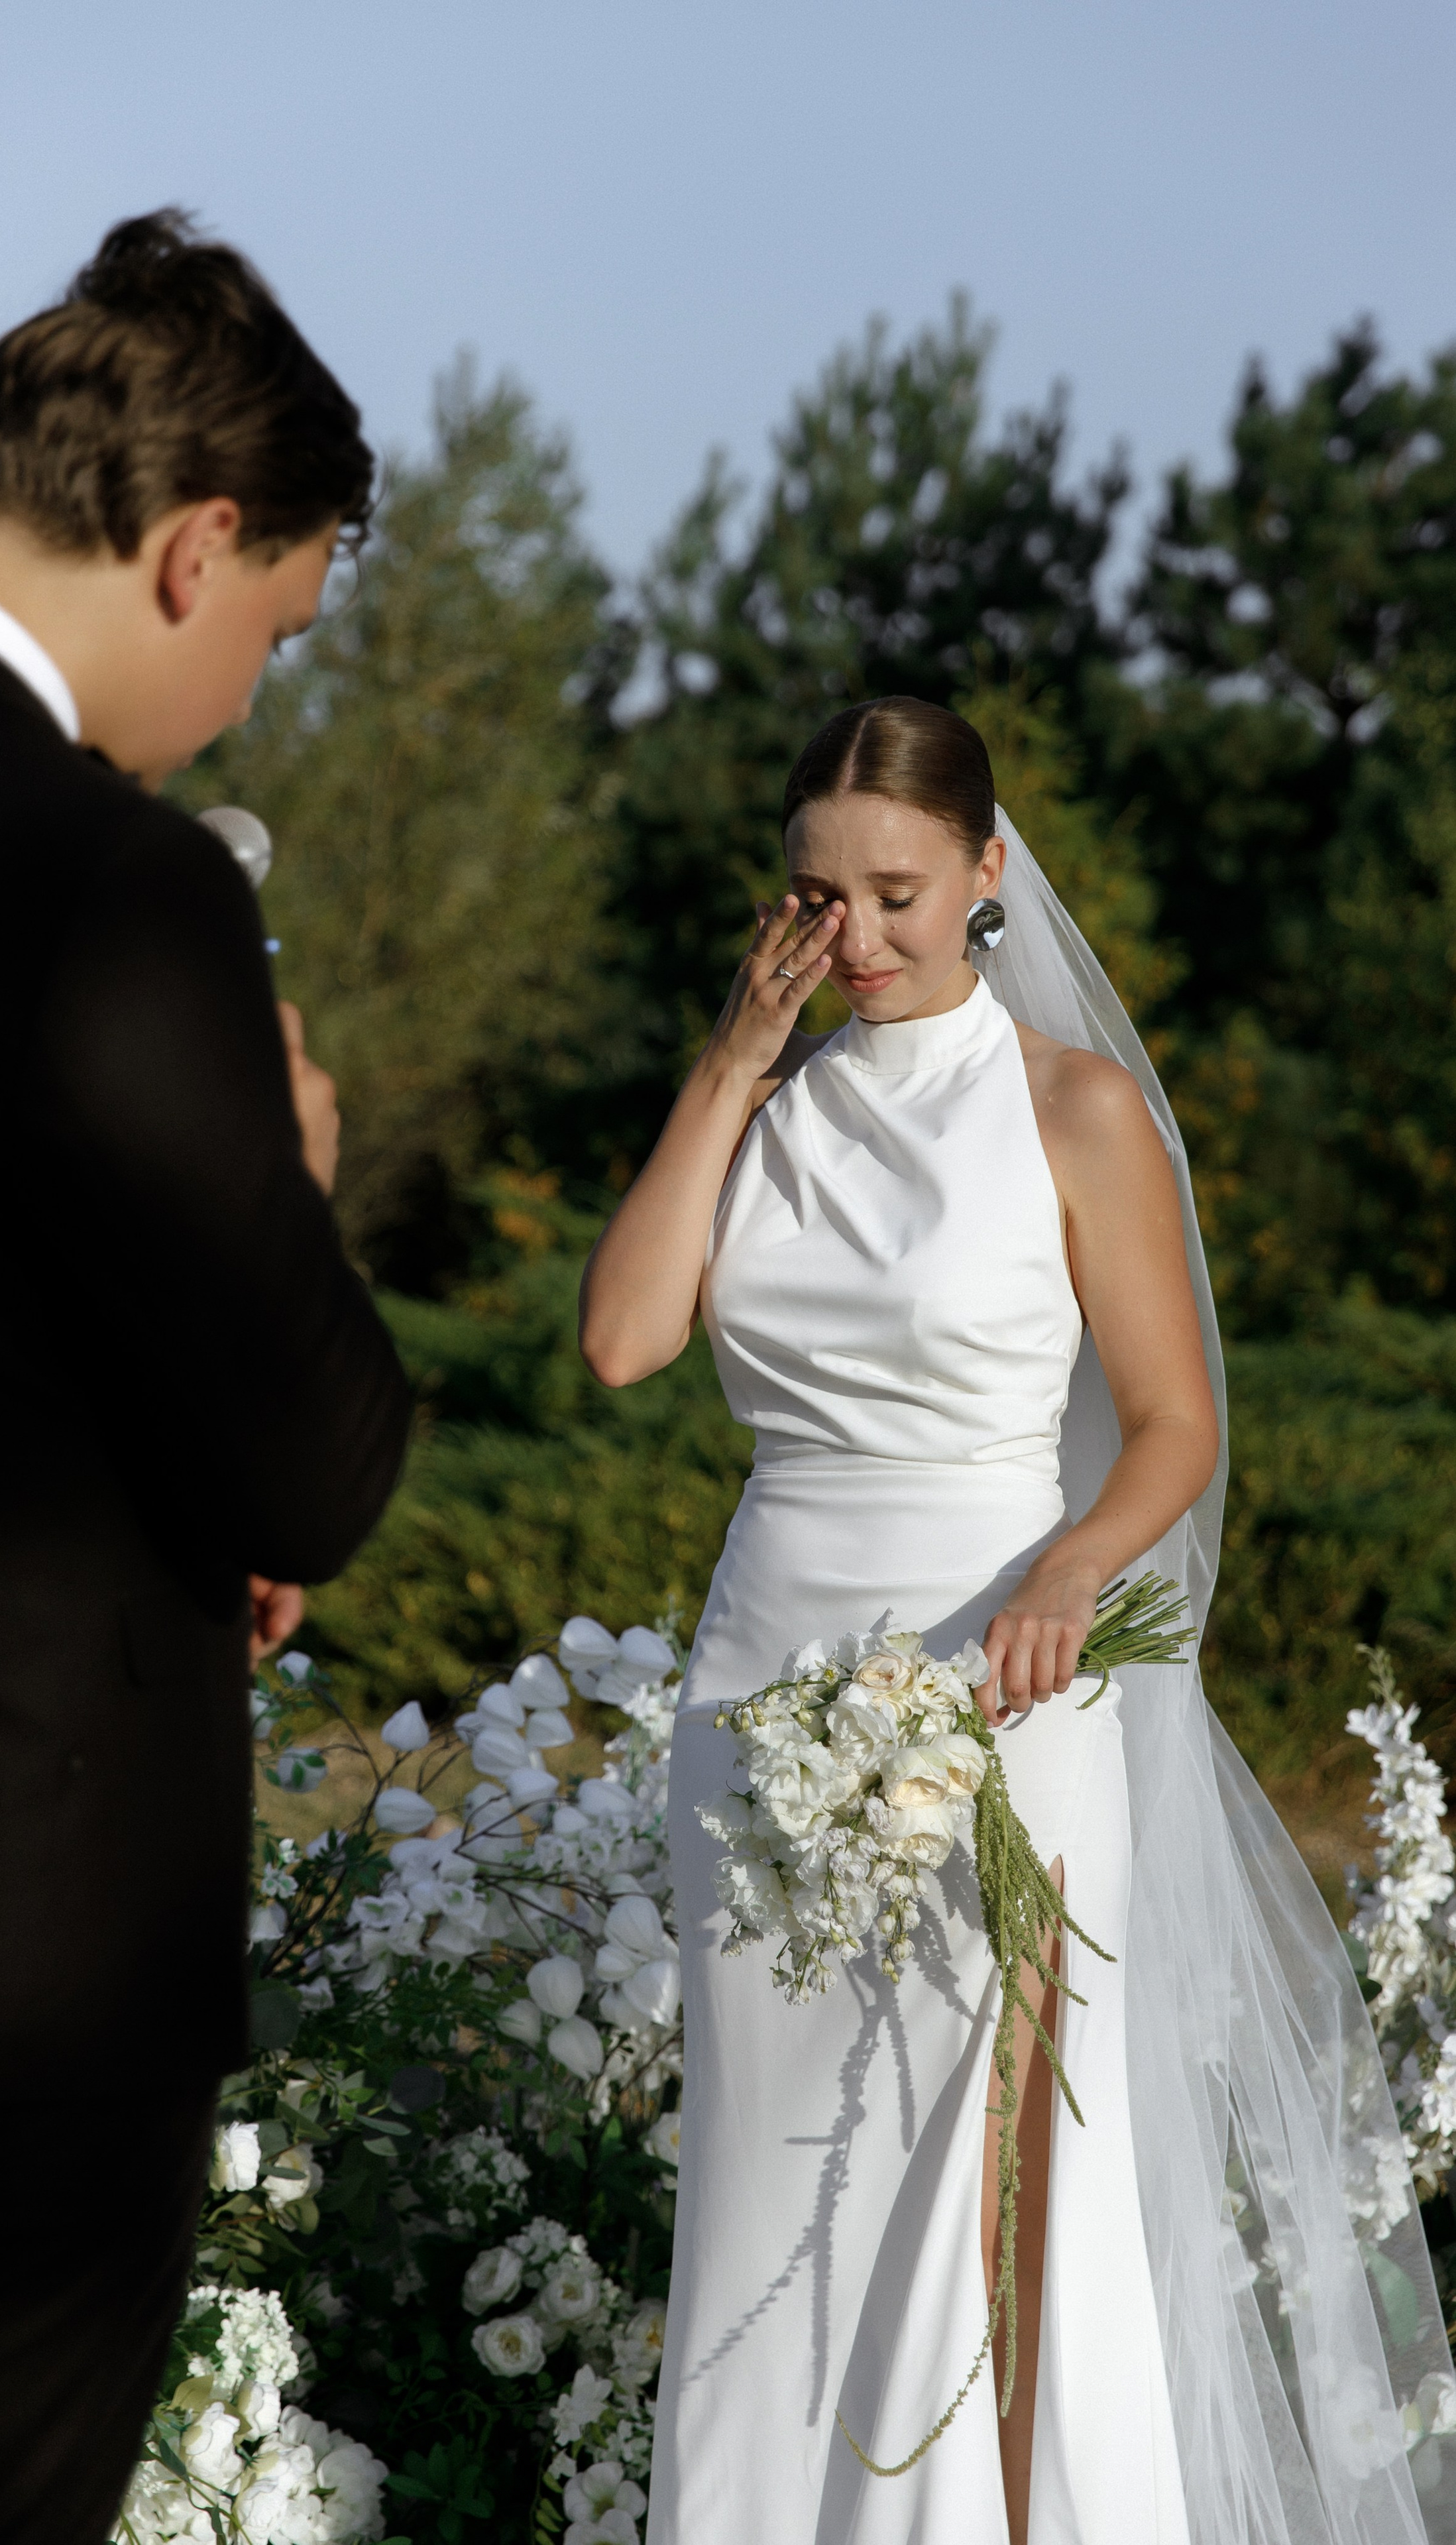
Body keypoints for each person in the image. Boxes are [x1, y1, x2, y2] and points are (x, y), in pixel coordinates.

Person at [580, 698, 1455, 2542]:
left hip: (1006, 1686)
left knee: (1007, 2183)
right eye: (817, 898)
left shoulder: (1073, 1107)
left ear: (987, 872)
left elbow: (1175, 1425)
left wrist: (1073, 1565)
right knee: (772, 2183)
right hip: (763, 1693)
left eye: (896, 893)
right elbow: (624, 1339)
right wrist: (733, 1060)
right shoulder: (768, 1113)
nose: (856, 938)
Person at [0, 212, 410, 2540]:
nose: (242, 701)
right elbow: (313, 1464)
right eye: (275, 635)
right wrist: (291, 1182)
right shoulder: (105, 883)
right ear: (196, 545)